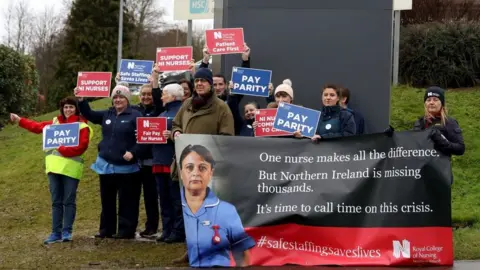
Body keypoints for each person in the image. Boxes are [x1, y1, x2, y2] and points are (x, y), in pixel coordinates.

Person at [170, 68, 235, 264]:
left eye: (203, 81)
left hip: (207, 170)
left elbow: (227, 138)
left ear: (210, 84)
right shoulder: (187, 104)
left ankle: (212, 252)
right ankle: (191, 250)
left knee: (209, 214)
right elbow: (175, 124)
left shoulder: (221, 108)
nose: (199, 84)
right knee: (190, 211)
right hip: (187, 168)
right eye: (196, 81)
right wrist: (176, 134)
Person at [10, 97, 93, 244]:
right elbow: (37, 127)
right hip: (53, 169)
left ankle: (67, 231)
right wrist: (19, 120)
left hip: (71, 169)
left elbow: (81, 147)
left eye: (71, 107)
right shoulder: (55, 123)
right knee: (56, 202)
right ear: (62, 109)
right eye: (66, 107)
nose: (68, 110)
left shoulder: (81, 126)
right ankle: (56, 232)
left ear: (76, 109)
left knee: (69, 201)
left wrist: (61, 148)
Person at [76, 85, 143, 239]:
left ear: (127, 99)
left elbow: (144, 139)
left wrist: (134, 152)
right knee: (107, 200)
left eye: (121, 97)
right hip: (106, 166)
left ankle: (126, 231)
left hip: (127, 168)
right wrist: (81, 100)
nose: (118, 100)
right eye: (115, 98)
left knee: (127, 201)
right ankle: (107, 229)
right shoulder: (108, 114)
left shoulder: (136, 115)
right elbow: (90, 115)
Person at [179, 144, 255, 267]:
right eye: (189, 167)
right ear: (181, 173)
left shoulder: (227, 211)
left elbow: (242, 256)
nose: (195, 173)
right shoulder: (176, 208)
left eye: (202, 168)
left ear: (211, 173)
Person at [152, 83, 185, 243]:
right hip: (159, 161)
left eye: (164, 94)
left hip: (173, 163)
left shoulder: (182, 113)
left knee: (176, 199)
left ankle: (178, 231)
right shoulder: (161, 114)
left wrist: (172, 136)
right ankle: (167, 229)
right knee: (164, 199)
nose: (161, 97)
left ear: (172, 96)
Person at [130, 83, 161, 238]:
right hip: (135, 161)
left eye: (149, 94)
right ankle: (130, 226)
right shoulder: (134, 111)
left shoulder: (158, 110)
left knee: (150, 197)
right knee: (133, 197)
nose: (146, 97)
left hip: (151, 161)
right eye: (143, 94)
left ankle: (152, 226)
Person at [413, 86, 465, 158]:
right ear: (425, 103)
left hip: (440, 167)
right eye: (428, 100)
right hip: (421, 167)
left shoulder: (449, 122)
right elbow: (411, 146)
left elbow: (460, 149)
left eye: (435, 100)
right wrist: (392, 137)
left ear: (442, 103)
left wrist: (441, 141)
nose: (431, 102)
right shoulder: (419, 122)